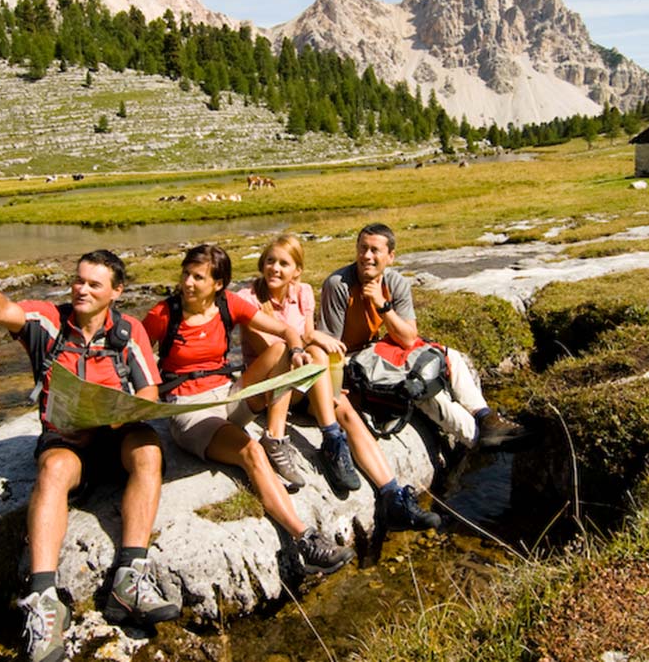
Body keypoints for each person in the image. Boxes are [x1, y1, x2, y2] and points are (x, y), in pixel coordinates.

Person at [0, 250, 180, 662]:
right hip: (68, 443)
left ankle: (129, 578)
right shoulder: (49, 321)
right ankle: (44, 599)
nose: (81, 289)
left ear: (116, 291)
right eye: (78, 280)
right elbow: (2, 311)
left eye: (93, 284)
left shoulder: (129, 329)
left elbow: (149, 391)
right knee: (53, 468)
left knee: (148, 448)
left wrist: (120, 416)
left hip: (116, 438)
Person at [144, 244, 355, 574]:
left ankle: (276, 436)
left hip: (228, 394)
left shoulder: (228, 303)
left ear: (218, 284)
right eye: (186, 274)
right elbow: (133, 355)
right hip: (191, 408)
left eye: (198, 277)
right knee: (251, 453)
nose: (187, 282)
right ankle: (306, 540)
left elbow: (287, 331)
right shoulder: (163, 314)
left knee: (282, 350)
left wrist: (298, 351)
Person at [235, 234, 441, 530]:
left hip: (303, 379)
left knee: (345, 410)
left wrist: (321, 355)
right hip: (270, 385)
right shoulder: (248, 299)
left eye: (284, 263)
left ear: (297, 271)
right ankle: (331, 439)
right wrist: (313, 346)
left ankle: (391, 495)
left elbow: (306, 334)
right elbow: (277, 347)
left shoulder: (303, 292)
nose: (275, 269)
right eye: (270, 261)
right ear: (261, 264)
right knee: (314, 354)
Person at [318, 223, 527, 450]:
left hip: (377, 349)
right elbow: (331, 346)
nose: (366, 256)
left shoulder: (395, 282)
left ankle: (486, 418)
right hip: (352, 359)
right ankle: (478, 439)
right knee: (418, 384)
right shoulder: (338, 285)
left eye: (374, 250)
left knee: (449, 356)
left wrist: (382, 306)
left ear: (390, 256)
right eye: (362, 248)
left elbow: (408, 337)